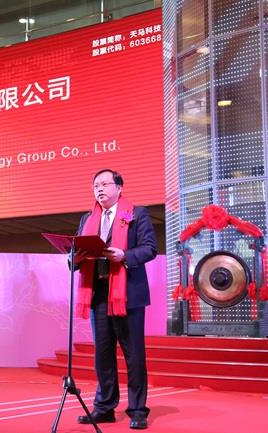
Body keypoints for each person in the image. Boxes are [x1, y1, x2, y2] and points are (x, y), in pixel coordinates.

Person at [73, 169, 157, 430]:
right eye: (95, 185)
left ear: (119, 187)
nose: (99, 189)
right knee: (103, 354)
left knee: (134, 355)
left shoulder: (137, 213)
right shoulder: (88, 218)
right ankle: (104, 407)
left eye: (104, 184)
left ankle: (138, 410)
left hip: (127, 295)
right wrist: (73, 258)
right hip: (98, 294)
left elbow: (150, 249)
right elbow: (76, 253)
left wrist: (125, 256)